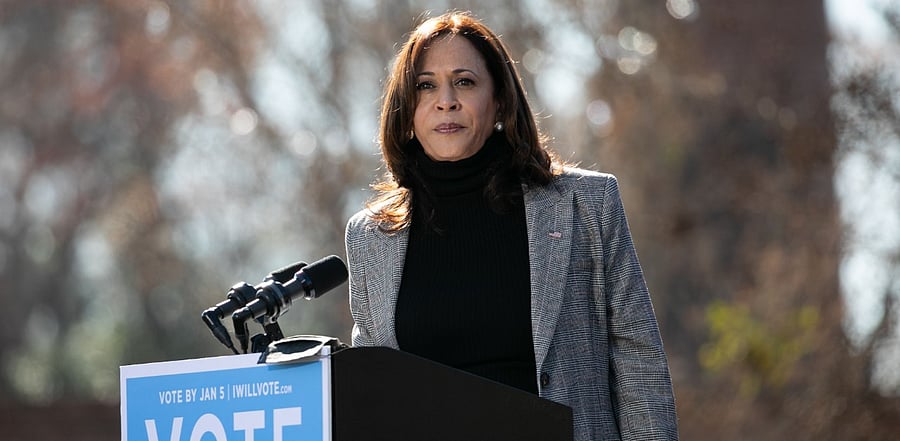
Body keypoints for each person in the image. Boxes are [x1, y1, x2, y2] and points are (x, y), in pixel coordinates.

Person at [344, 11, 678, 441]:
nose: (446, 101)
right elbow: (373, 393)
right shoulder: (370, 237)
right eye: (426, 85)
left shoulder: (585, 206)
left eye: (464, 81)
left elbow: (638, 362)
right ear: (407, 110)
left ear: (500, 99)